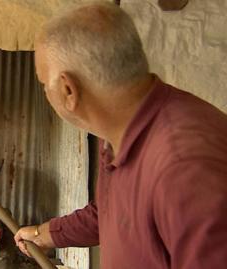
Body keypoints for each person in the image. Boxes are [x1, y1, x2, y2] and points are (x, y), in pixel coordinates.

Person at [14, 2, 227, 268]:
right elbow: (110, 214)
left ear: (69, 90)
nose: (46, 92)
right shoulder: (120, 128)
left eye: (45, 84)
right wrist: (43, 235)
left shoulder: (184, 168)